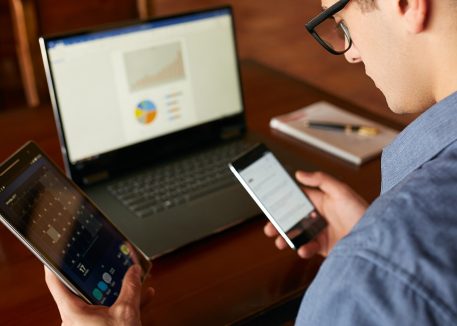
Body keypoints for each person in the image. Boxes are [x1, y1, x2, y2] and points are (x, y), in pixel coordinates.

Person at [45, 0, 457, 324]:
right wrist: (368, 234)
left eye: (341, 23)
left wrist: (372, 253)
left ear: (406, 3)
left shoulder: (369, 283)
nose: (349, 53)